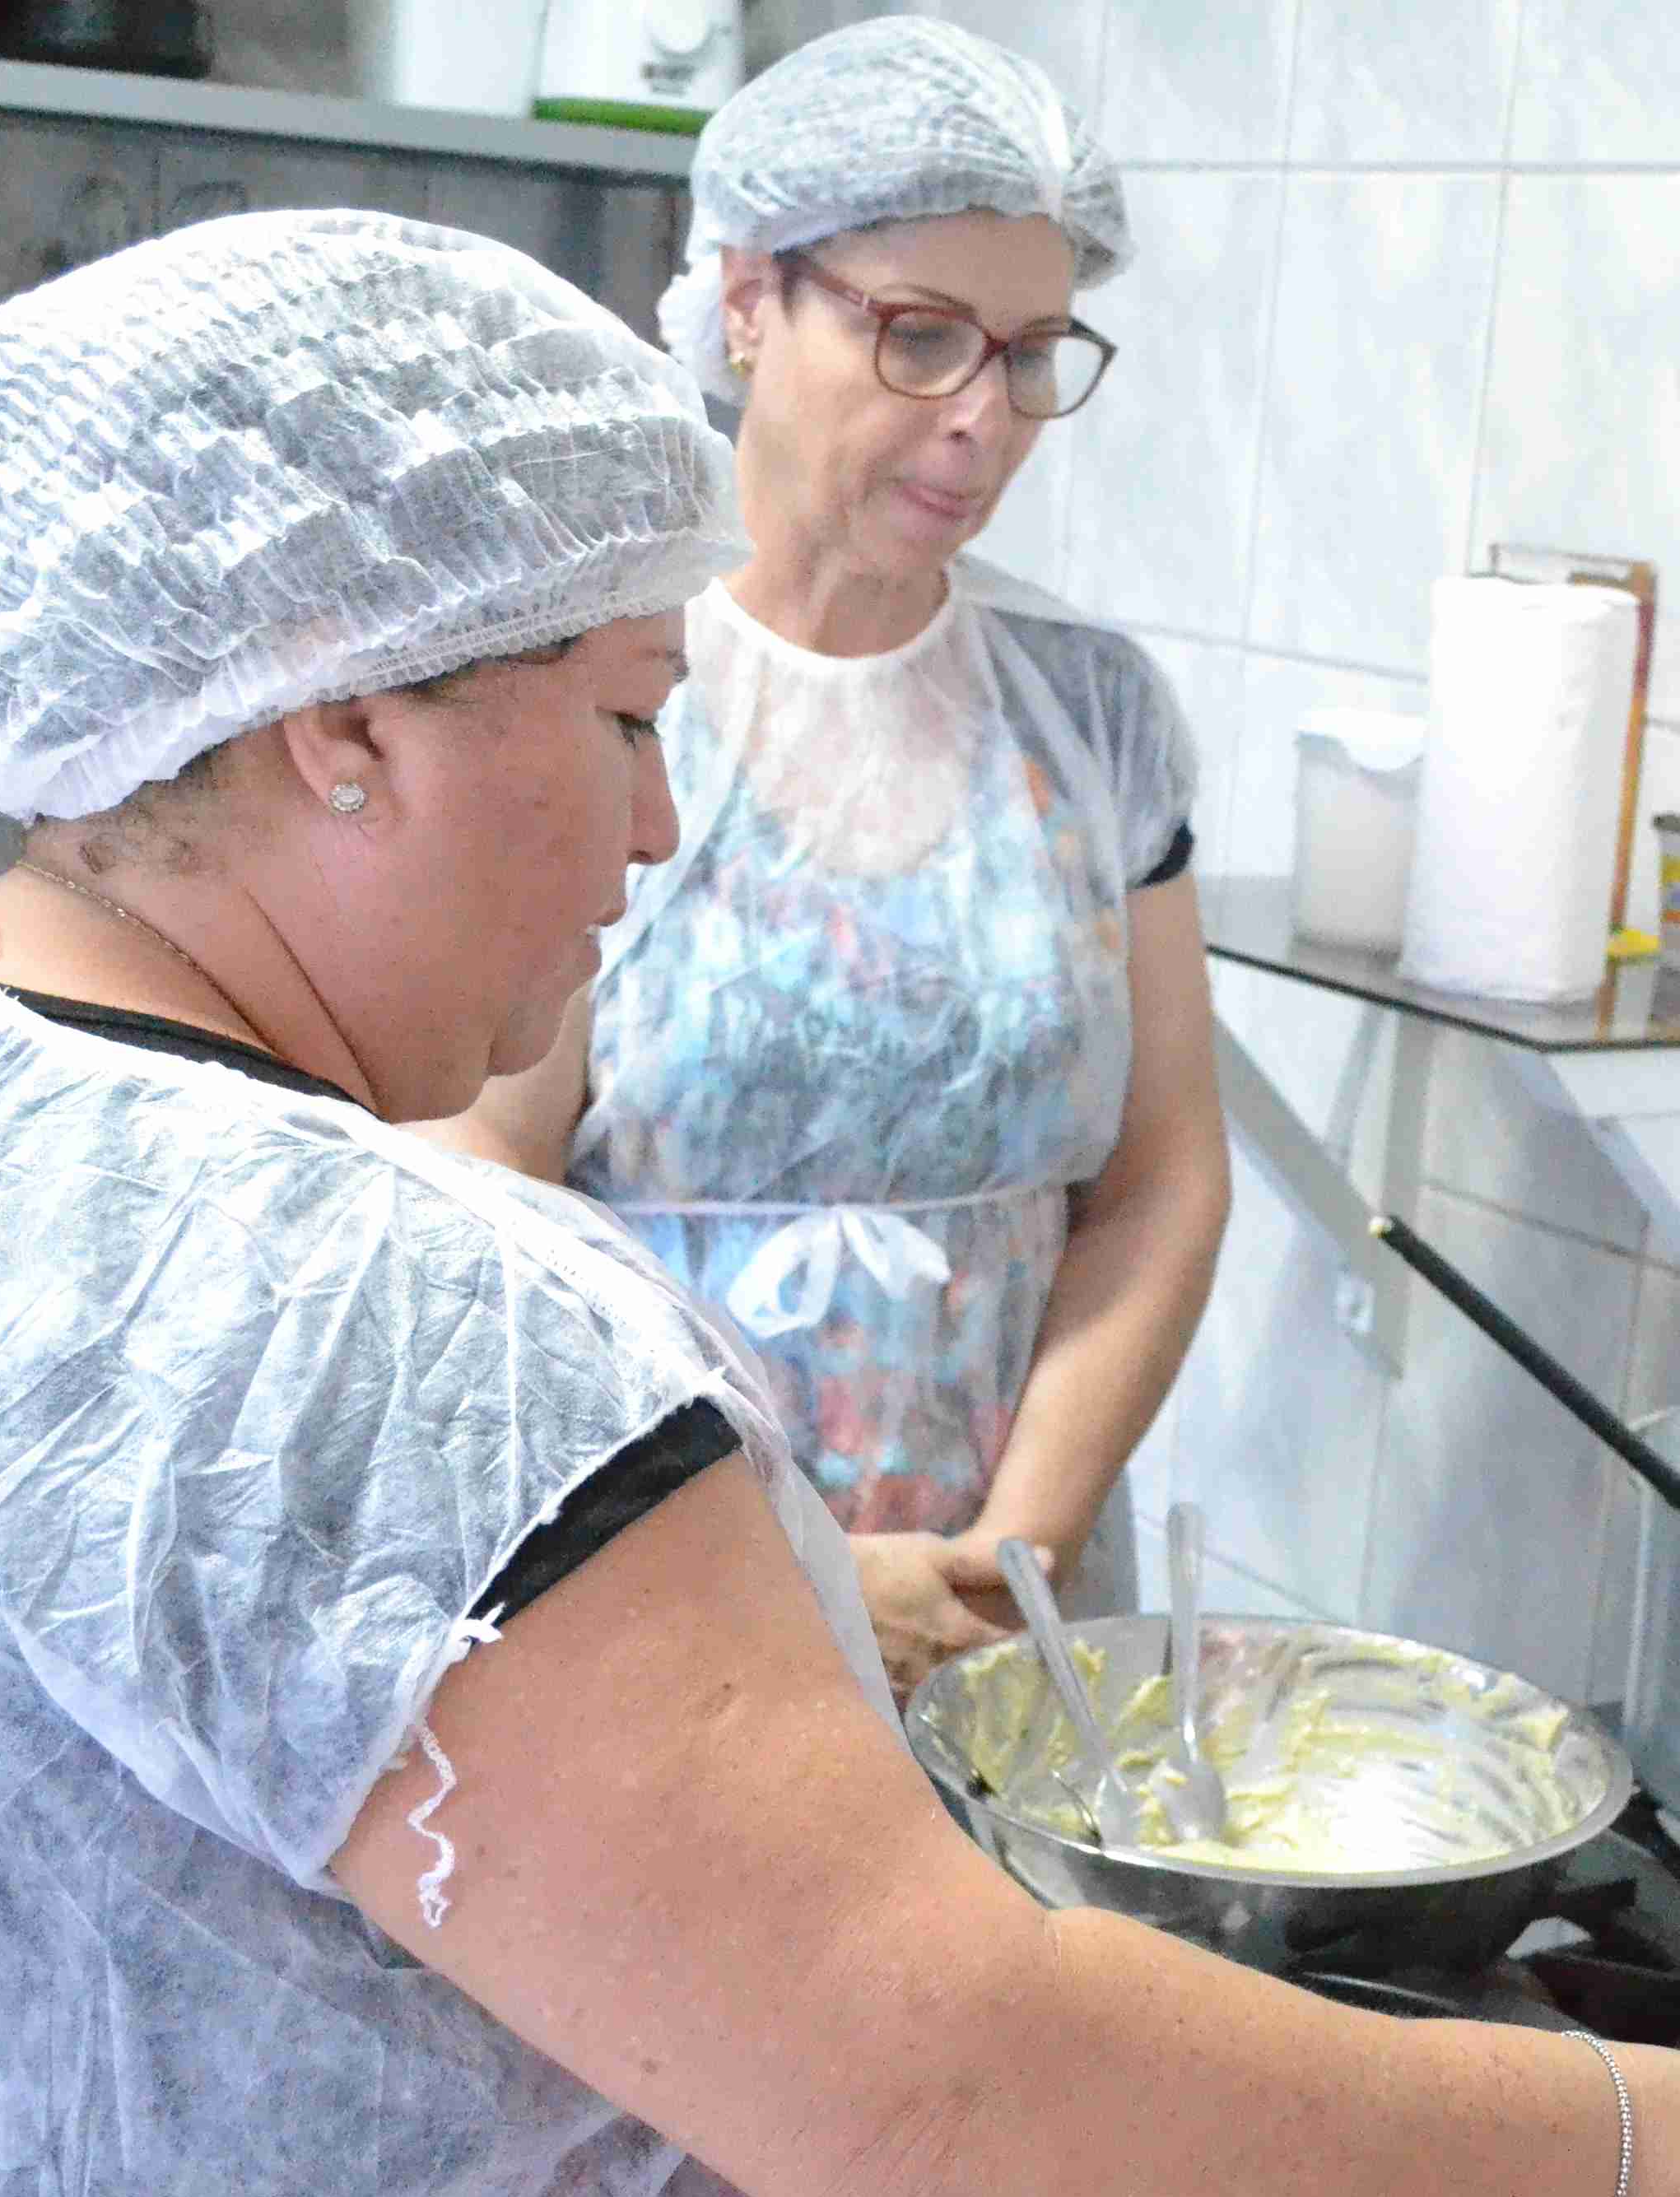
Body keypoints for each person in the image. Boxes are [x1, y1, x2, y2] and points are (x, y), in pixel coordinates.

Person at [0, 212, 1680, 2197]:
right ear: (343, 718)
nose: (664, 822)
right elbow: (944, 2101)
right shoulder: (358, 1311)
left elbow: (136, 1716)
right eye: (614, 719)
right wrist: (1620, 2155)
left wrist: (756, 1620)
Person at [430, 21, 1222, 1684]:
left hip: (1003, 1624)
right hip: (647, 1604)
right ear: (744, 304)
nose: (984, 419)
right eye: (919, 338)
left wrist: (1018, 1557)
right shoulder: (599, 691)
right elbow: (484, 1193)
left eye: (1028, 355)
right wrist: (773, 1559)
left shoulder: (1090, 716)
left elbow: (1156, 1180)